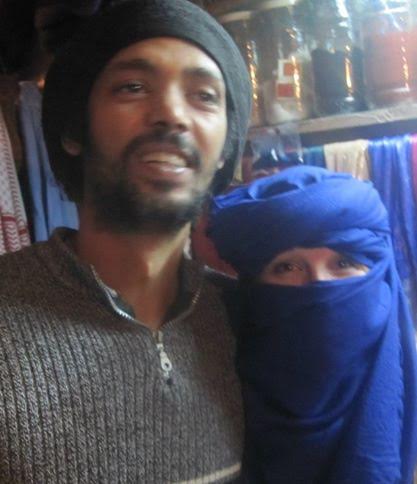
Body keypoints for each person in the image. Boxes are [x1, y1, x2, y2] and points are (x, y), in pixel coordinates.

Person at [0, 1, 252, 482]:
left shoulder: (252, 323)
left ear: (225, 150)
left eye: (204, 96)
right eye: (132, 87)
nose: (172, 114)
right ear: (74, 129)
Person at [208, 166, 417, 483]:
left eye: (343, 262)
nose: (319, 284)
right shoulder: (214, 382)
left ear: (380, 277)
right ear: (254, 289)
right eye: (287, 267)